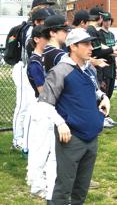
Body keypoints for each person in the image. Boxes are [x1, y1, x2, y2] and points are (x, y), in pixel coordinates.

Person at [39, 28, 110, 204]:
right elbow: (44, 103)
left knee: (81, 189)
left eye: (91, 43)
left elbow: (93, 91)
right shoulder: (60, 71)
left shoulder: (87, 69)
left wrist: (103, 97)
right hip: (71, 137)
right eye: (86, 44)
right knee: (64, 187)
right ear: (73, 46)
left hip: (91, 137)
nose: (91, 47)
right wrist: (61, 123)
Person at [11, 0, 54, 150]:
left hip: (33, 69)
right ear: (36, 9)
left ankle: (29, 139)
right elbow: (31, 50)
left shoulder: (43, 27)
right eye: (44, 6)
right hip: (24, 69)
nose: (47, 9)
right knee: (23, 106)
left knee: (33, 106)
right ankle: (17, 139)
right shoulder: (30, 28)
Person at [25, 25, 55, 199]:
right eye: (45, 37)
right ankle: (36, 183)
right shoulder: (35, 62)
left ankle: (38, 180)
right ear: (37, 39)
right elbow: (42, 89)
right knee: (41, 148)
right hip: (42, 106)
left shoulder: (42, 59)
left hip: (45, 106)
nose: (48, 40)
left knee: (45, 147)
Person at [97, 11, 117, 126]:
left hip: (111, 66)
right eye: (106, 20)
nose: (108, 22)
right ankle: (102, 117)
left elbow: (114, 52)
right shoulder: (100, 33)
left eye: (109, 20)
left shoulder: (111, 35)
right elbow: (108, 51)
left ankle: (107, 115)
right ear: (102, 21)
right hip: (104, 65)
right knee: (104, 91)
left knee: (110, 91)